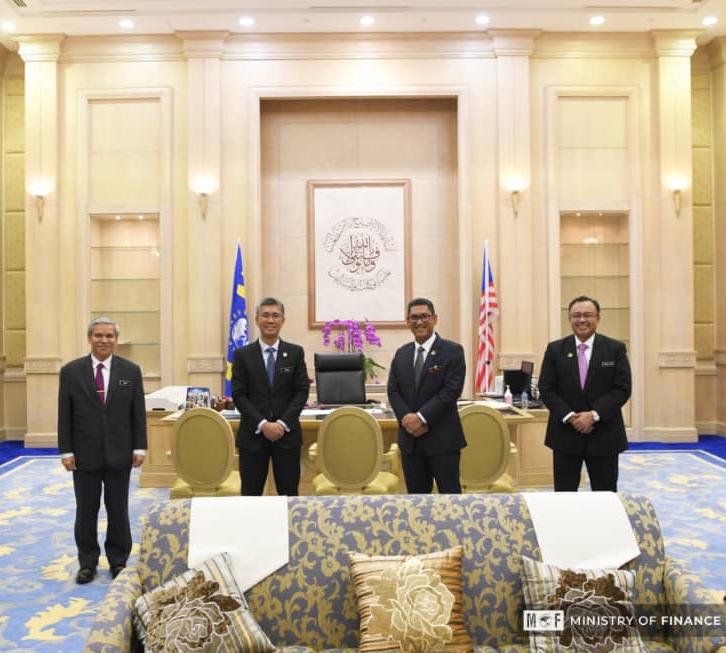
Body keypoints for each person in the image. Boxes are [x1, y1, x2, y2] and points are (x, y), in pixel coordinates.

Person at [58, 317, 147, 584]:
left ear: (116, 340)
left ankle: (118, 561)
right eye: (98, 335)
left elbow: (137, 413)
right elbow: (65, 414)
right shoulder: (71, 371)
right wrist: (66, 451)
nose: (104, 340)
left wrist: (140, 446)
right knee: (86, 511)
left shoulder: (131, 371)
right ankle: (87, 563)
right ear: (90, 338)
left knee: (118, 509)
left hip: (120, 453)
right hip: (84, 455)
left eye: (109, 336)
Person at [538, 295, 631, 492]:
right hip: (565, 435)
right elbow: (546, 388)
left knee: (605, 495)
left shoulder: (614, 349)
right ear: (569, 319)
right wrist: (571, 417)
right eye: (576, 315)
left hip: (604, 434)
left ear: (598, 318)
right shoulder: (555, 349)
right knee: (565, 495)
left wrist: (593, 415)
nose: (582, 320)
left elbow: (622, 388)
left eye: (588, 315)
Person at [231, 297, 310, 496]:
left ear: (283, 320)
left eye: (275, 315)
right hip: (253, 437)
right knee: (251, 495)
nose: (270, 320)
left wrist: (282, 424)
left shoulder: (295, 353)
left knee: (289, 494)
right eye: (265, 315)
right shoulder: (242, 355)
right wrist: (263, 424)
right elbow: (239, 395)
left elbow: (302, 391)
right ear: (257, 320)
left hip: (287, 437)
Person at [387, 297, 466, 493]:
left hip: (442, 440)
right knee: (417, 502)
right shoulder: (402, 353)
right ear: (407, 321)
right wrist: (407, 419)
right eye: (414, 317)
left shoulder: (452, 351)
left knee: (450, 500)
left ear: (435, 319)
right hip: (411, 442)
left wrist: (421, 418)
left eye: (425, 316)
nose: (419, 322)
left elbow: (451, 391)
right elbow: (393, 390)